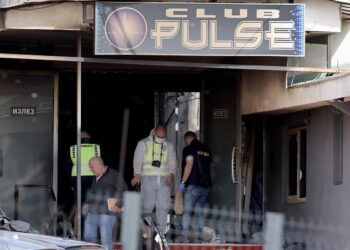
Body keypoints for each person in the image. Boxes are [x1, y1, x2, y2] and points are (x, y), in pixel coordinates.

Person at [131, 124, 177, 234]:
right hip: (148, 178)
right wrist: (137, 175)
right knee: (148, 205)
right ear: (154, 133)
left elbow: (172, 161)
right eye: (159, 136)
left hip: (164, 179)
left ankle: (161, 233)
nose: (161, 139)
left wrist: (171, 175)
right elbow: (137, 160)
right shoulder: (143, 143)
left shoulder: (168, 145)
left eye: (163, 137)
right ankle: (149, 229)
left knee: (163, 206)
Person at [83, 156, 128, 250]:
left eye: (92, 167)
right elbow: (92, 192)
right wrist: (87, 203)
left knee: (105, 240)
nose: (91, 170)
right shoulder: (95, 177)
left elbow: (124, 191)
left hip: (107, 214)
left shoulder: (114, 175)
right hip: (92, 212)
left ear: (100, 165)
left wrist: (116, 206)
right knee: (88, 236)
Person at [178, 131, 212, 243]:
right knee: (199, 211)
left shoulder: (188, 149)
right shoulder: (206, 149)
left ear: (187, 140)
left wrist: (183, 182)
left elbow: (189, 164)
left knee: (187, 211)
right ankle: (198, 235)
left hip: (193, 185)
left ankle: (184, 235)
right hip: (205, 185)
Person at [66, 130, 101, 233]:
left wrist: (70, 183)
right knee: (91, 202)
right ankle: (86, 229)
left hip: (77, 178)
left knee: (79, 203)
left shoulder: (73, 148)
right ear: (89, 136)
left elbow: (67, 167)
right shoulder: (96, 147)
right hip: (92, 178)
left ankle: (74, 227)